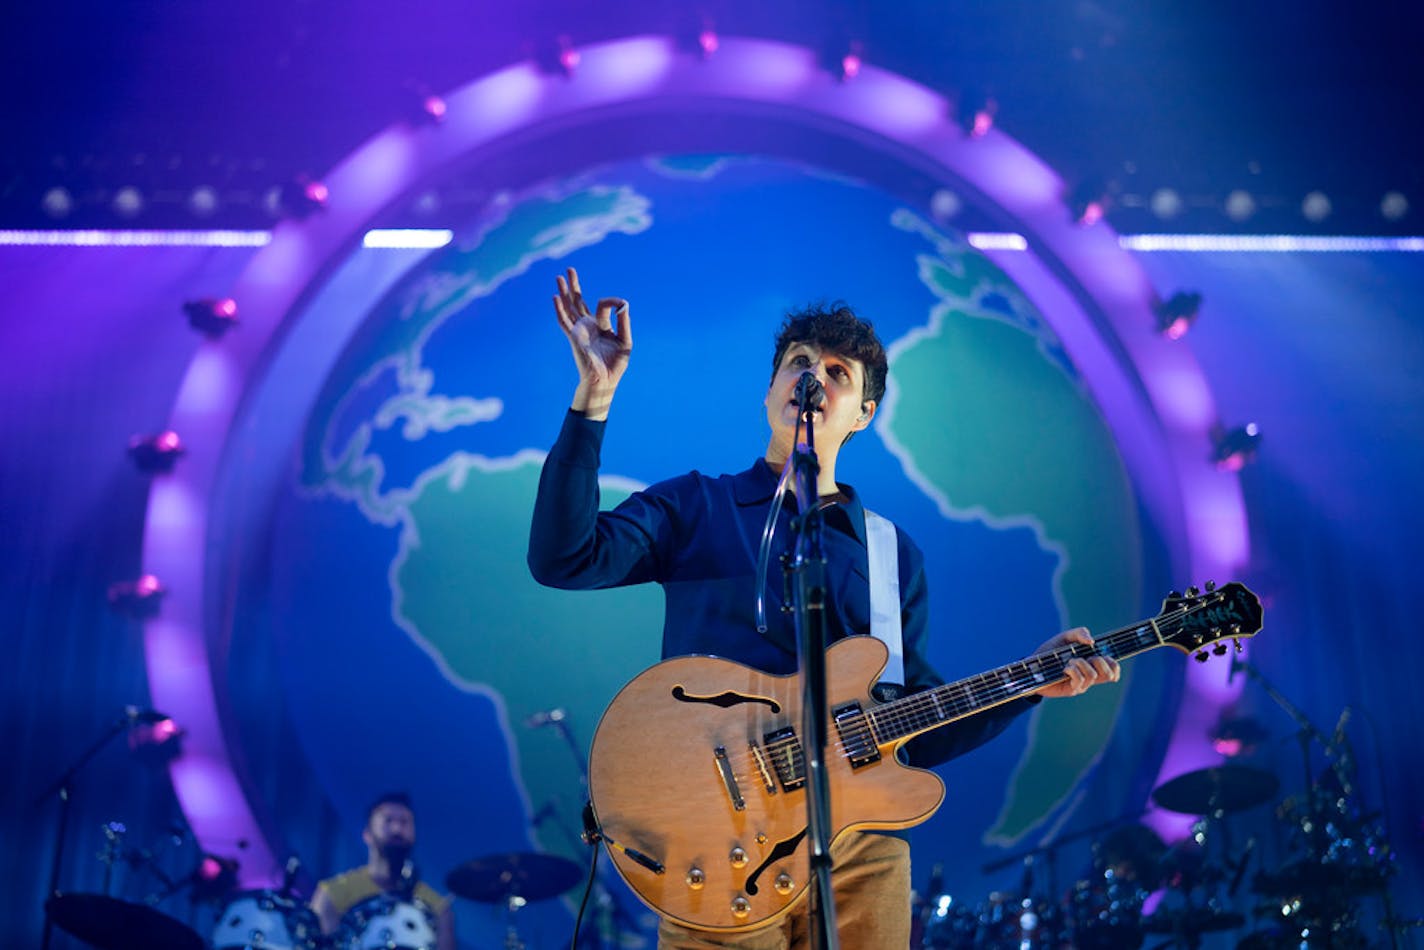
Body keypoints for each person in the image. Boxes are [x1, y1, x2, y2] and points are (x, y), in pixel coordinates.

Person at [527, 267, 1120, 949]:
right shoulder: (695, 506)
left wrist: (1030, 684)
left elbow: (912, 724)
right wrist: (592, 400)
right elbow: (562, 559)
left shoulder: (890, 553)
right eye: (799, 363)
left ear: (864, 412)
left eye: (839, 371)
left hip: (859, 849)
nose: (814, 377)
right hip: (719, 842)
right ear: (773, 389)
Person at [310, 792, 456, 950]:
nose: (397, 828)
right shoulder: (332, 892)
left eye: (405, 822)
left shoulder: (438, 906)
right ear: (367, 835)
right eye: (388, 820)